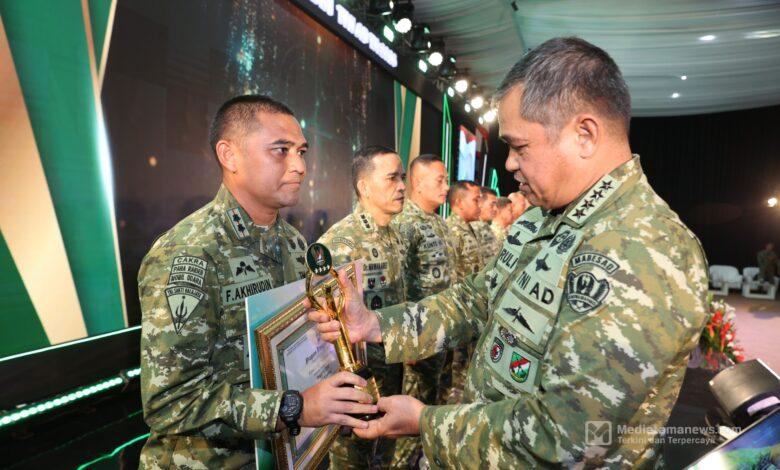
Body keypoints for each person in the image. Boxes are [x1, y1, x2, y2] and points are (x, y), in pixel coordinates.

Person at [308, 37, 709, 468]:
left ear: (585, 134)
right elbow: (478, 299)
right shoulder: (544, 217)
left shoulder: (646, 250)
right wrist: (374, 324)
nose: (510, 164)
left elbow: (566, 438)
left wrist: (426, 422)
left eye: (520, 147)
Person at [138, 95, 376, 469]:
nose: (299, 166)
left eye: (301, 152)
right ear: (229, 155)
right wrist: (294, 407)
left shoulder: (292, 243)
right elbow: (170, 402)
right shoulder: (189, 252)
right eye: (281, 151)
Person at [316, 145, 407, 469]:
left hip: (392, 371)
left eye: (403, 177)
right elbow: (325, 328)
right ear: (364, 187)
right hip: (359, 386)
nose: (402, 186)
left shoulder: (394, 235)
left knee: (385, 457)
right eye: (392, 178)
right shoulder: (339, 243)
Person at [389, 154, 456, 468]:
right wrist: (407, 341)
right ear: (417, 182)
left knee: (434, 403)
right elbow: (397, 284)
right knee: (412, 415)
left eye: (447, 180)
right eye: (440, 180)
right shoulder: (406, 223)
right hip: (419, 337)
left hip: (443, 333)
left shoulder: (438, 222)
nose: (446, 187)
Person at [442, 180, 484, 404]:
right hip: (459, 313)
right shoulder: (452, 231)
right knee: (456, 373)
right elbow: (450, 277)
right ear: (459, 202)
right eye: (476, 200)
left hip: (471, 312)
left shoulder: (468, 228)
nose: (480, 205)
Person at [470, 187, 501, 262]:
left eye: (496, 205)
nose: (495, 209)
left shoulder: (485, 226)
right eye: (492, 204)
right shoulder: (472, 228)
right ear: (480, 203)